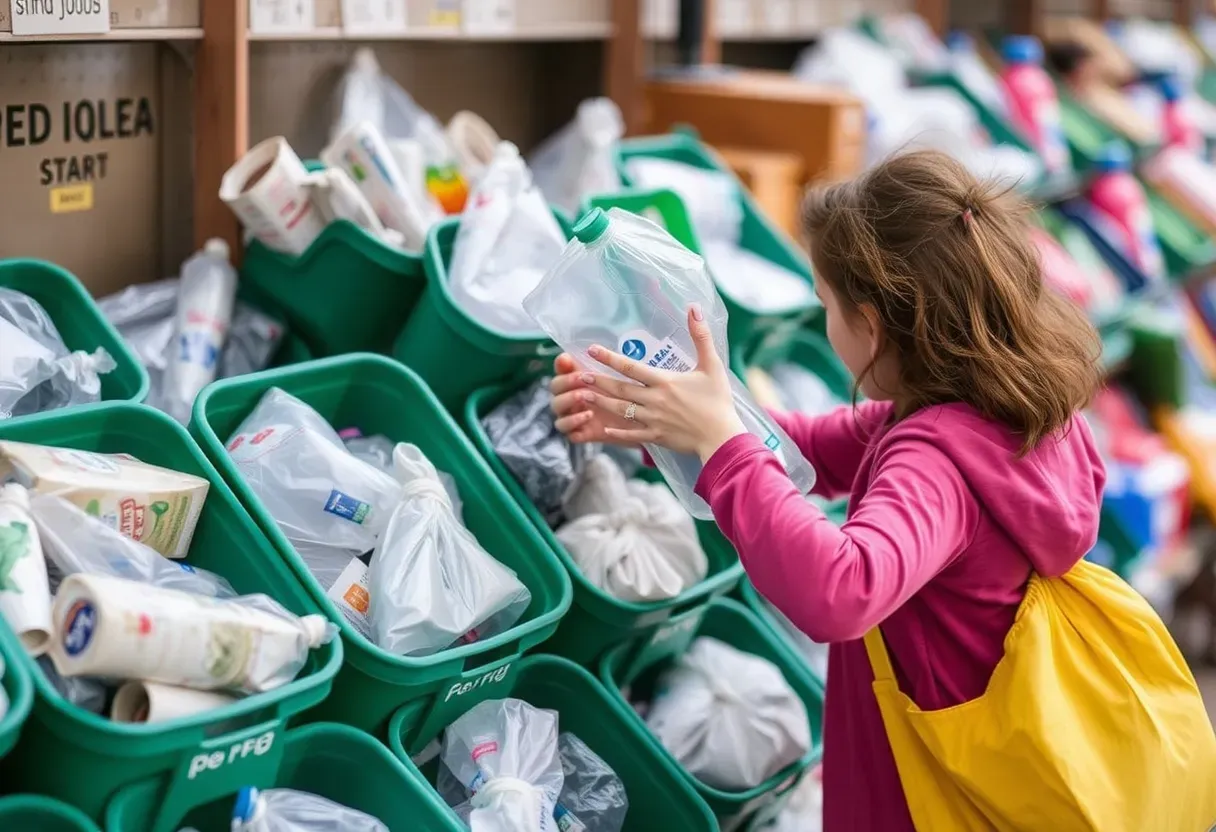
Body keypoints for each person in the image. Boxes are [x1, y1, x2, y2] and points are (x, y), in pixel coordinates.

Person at [549, 149, 1111, 830]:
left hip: (924, 799)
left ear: (870, 326)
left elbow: (840, 591)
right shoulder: (1003, 415)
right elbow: (807, 449)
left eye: (826, 305)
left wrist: (723, 446)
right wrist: (667, 421)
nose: (825, 321)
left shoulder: (938, 463)